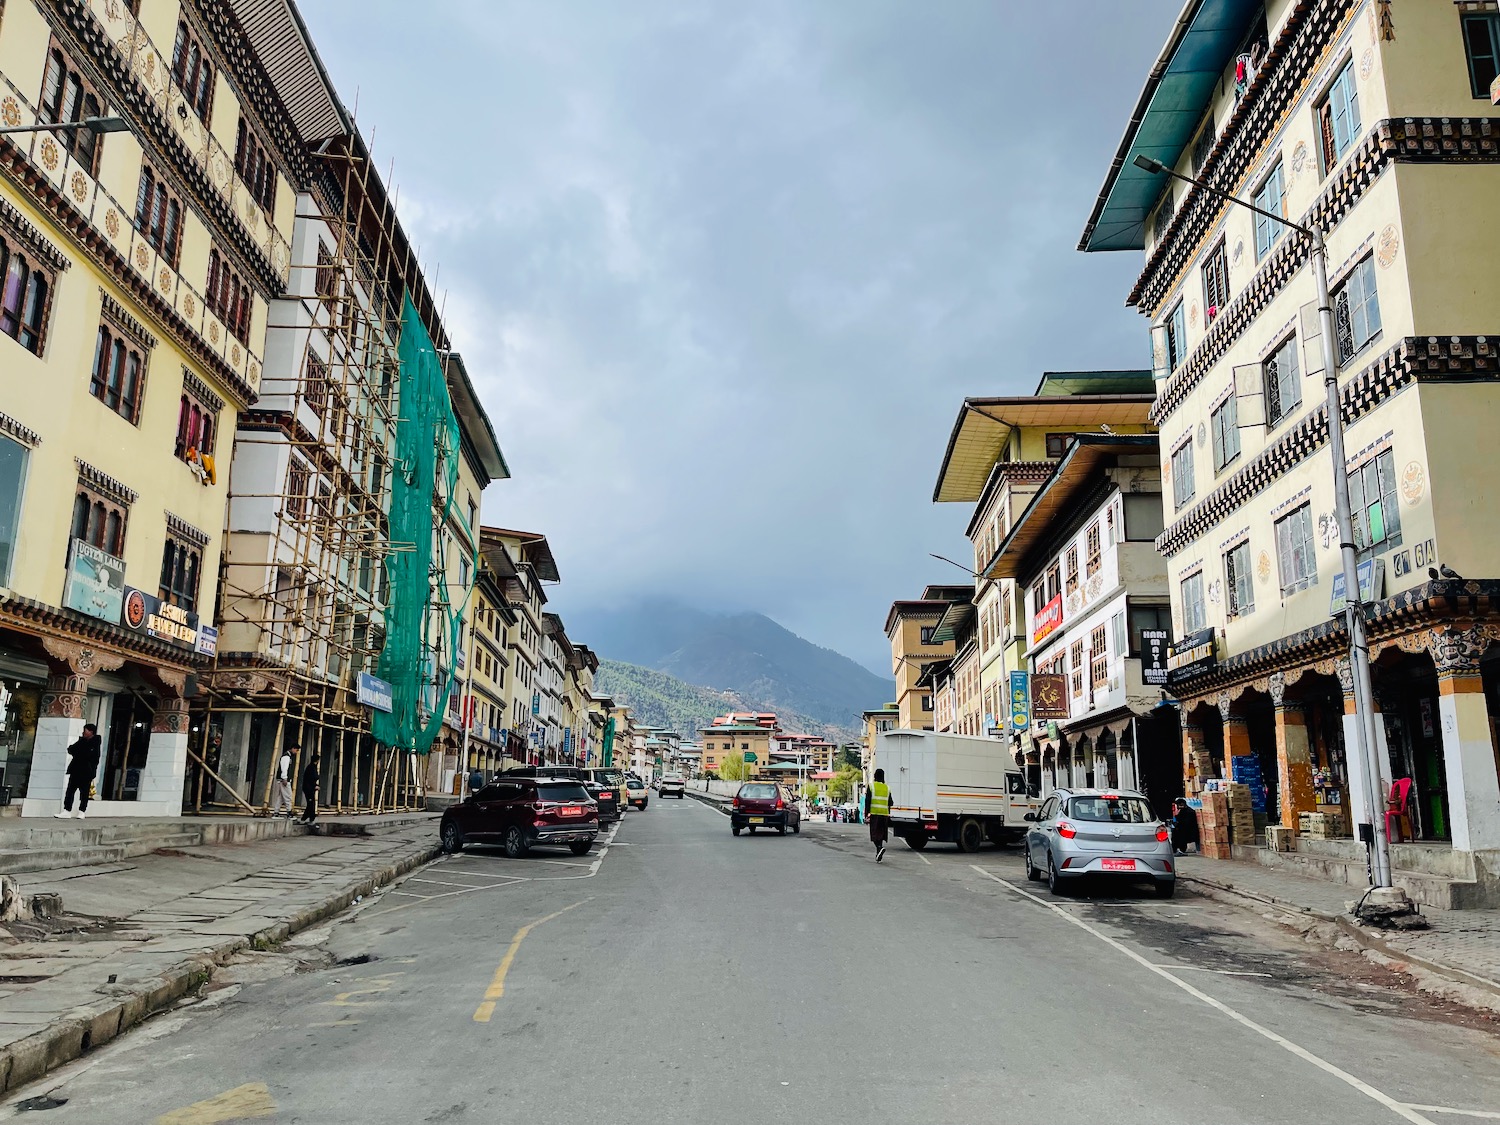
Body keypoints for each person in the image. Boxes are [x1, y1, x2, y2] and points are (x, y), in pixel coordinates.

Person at [55, 723, 102, 819]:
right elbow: (71, 749)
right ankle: (67, 810)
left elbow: (93, 758)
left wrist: (91, 769)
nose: (83, 732)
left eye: (85, 730)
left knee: (84, 793)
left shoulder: (95, 744)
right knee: (70, 791)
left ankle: (82, 811)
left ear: (91, 732)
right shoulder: (81, 741)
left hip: (87, 772)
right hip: (76, 770)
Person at [865, 768, 892, 862]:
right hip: (884, 815)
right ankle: (878, 854)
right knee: (880, 834)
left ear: (875, 776)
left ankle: (879, 848)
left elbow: (867, 801)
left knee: (874, 834)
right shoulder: (887, 788)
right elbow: (891, 802)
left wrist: (866, 814)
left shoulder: (871, 786)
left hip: (874, 813)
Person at [270, 744, 296, 818]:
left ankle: (276, 812)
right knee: (288, 795)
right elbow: (284, 768)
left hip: (284, 779)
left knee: (281, 797)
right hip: (284, 780)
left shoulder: (288, 756)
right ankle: (289, 812)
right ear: (293, 748)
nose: (296, 752)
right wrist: (284, 778)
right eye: (296, 750)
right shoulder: (286, 757)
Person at [298, 751, 320, 825]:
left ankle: (308, 818)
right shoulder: (311, 767)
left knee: (311, 804)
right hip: (309, 788)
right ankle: (307, 818)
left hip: (310, 788)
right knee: (311, 804)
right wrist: (315, 785)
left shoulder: (312, 767)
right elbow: (312, 778)